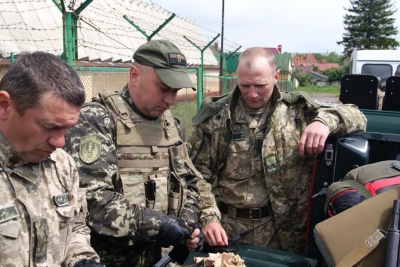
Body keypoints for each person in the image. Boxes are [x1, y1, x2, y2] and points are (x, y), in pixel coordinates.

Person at [187, 47, 367, 254]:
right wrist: (209, 218)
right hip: (229, 232)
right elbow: (196, 174)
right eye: (244, 85)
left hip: (285, 233)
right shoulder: (217, 117)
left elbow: (357, 116)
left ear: (276, 77)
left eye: (260, 85)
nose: (252, 93)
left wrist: (324, 121)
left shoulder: (297, 111)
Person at [64, 39, 226, 267]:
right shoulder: (96, 121)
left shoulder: (171, 126)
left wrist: (188, 227)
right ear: (134, 75)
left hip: (153, 259)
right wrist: (160, 225)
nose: (170, 100)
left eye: (176, 91)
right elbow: (93, 202)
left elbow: (188, 182)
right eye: (163, 88)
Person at [0, 51, 103, 266]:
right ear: (4, 106)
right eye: (50, 127)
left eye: (67, 129)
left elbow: (75, 227)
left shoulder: (62, 165)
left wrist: (81, 259)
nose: (60, 142)